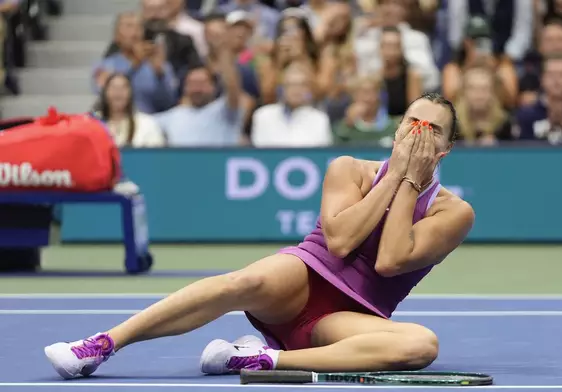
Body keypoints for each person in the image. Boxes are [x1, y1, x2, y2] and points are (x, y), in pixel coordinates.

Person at [44, 93, 475, 379]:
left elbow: (389, 261)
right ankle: (100, 345)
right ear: (398, 129)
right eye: (413, 123)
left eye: (432, 129)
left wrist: (411, 183)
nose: (419, 134)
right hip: (301, 280)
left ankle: (262, 359)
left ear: (446, 148)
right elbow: (340, 243)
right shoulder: (349, 169)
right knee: (242, 282)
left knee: (422, 346)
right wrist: (394, 175)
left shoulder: (453, 212)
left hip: (345, 324)